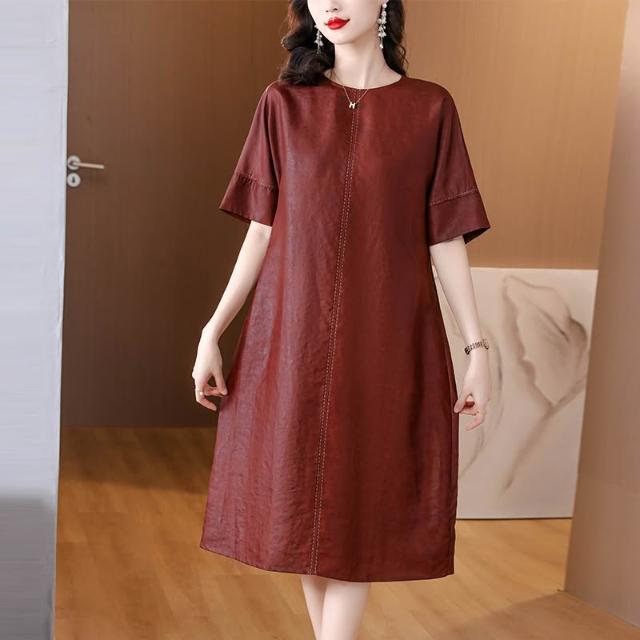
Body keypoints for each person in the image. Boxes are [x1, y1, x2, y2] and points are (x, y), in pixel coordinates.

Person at [192, 1, 492, 638]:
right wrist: (213, 331)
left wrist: (477, 349)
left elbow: (445, 235)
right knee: (306, 505)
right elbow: (261, 230)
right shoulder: (283, 104)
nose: (330, 2)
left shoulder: (430, 108)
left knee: (360, 501)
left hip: (388, 337)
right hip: (291, 336)